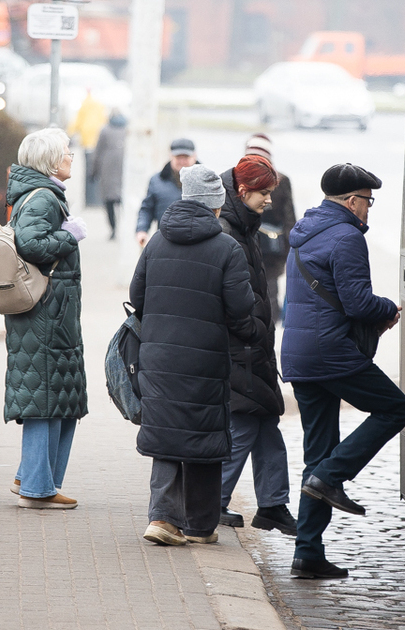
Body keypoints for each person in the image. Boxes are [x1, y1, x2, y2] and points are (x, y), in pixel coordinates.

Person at [281, 163, 405, 579]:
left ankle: (307, 554)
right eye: (368, 201)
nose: (369, 209)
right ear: (353, 201)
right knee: (395, 408)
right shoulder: (348, 236)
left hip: (299, 354)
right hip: (331, 353)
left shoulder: (306, 229)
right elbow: (357, 303)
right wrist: (389, 309)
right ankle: (332, 475)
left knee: (316, 451)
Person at [131, 164, 260, 546]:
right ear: (217, 205)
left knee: (167, 431)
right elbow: (241, 310)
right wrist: (253, 333)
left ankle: (162, 517)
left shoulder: (156, 242)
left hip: (158, 357)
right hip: (204, 359)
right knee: (203, 434)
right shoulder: (226, 248)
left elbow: (137, 299)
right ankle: (201, 526)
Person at [5, 128, 89, 509]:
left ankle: (34, 477)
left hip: (51, 313)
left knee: (57, 395)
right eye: (66, 152)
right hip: (47, 314)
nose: (71, 156)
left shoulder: (43, 194)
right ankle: (38, 488)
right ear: (50, 160)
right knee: (47, 397)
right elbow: (32, 244)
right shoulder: (43, 198)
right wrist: (69, 235)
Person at [216, 155, 297, 536]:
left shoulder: (243, 225)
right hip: (241, 351)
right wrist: (250, 332)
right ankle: (211, 502)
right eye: (264, 194)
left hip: (253, 349)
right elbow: (230, 299)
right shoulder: (229, 231)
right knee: (246, 424)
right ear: (243, 191)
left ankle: (273, 505)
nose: (269, 201)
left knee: (266, 425)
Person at [244, 134, 297, 325]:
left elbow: (289, 217)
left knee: (270, 294)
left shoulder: (281, 181)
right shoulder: (236, 180)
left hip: (271, 249)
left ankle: (269, 334)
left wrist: (291, 250)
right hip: (244, 246)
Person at [136, 138, 196, 248]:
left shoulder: (206, 182)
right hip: (164, 241)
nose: (182, 162)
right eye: (178, 157)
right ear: (171, 156)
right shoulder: (156, 181)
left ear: (194, 157)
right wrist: (142, 230)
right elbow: (147, 208)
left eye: (186, 157)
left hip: (196, 242)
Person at [90, 110, 127, 240]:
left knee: (109, 202)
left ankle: (113, 229)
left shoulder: (104, 131)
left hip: (107, 170)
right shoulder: (127, 130)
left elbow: (97, 152)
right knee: (123, 200)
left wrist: (93, 172)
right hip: (124, 169)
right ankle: (126, 228)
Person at [66, 89, 106, 208]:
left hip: (87, 140)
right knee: (97, 168)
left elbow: (77, 122)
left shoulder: (84, 105)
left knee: (89, 169)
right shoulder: (100, 105)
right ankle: (96, 199)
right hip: (97, 141)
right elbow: (104, 120)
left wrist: (69, 133)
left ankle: (90, 200)